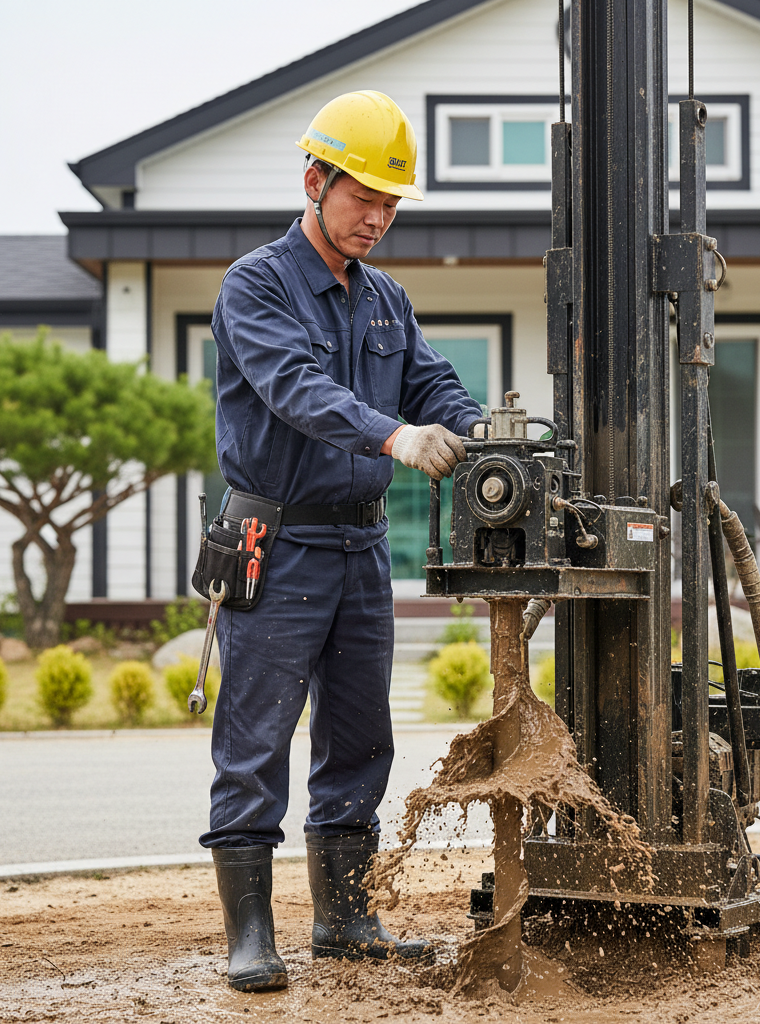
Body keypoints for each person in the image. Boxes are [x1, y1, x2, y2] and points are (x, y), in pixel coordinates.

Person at [202, 90, 482, 992]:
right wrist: (397, 438)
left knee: (360, 739)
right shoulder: (256, 285)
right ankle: (250, 935)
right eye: (364, 196)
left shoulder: (388, 299)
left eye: (392, 203)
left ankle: (345, 919)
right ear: (315, 180)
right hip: (275, 544)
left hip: (360, 550)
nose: (379, 217)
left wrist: (492, 438)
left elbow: (434, 387)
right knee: (256, 738)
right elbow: (294, 388)